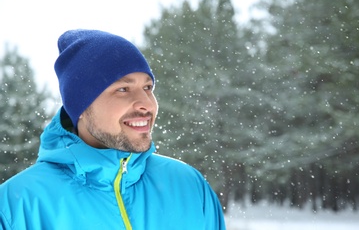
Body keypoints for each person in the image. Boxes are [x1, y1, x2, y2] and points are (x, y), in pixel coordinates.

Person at [0, 29, 226, 229]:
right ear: (81, 105)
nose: (147, 103)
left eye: (147, 87)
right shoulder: (17, 207)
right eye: (123, 89)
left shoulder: (188, 185)